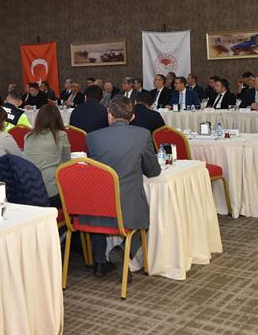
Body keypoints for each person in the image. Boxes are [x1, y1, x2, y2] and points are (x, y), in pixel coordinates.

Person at [82, 96, 161, 278]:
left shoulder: (92, 137)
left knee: (99, 213)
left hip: (97, 208)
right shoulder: (143, 135)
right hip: (128, 208)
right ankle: (123, 250)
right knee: (146, 220)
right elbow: (153, 171)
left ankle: (99, 262)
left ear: (109, 115)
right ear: (132, 117)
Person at [24, 105, 71, 208]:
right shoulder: (61, 135)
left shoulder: (28, 136)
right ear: (58, 118)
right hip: (50, 193)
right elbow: (67, 162)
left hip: (29, 191)